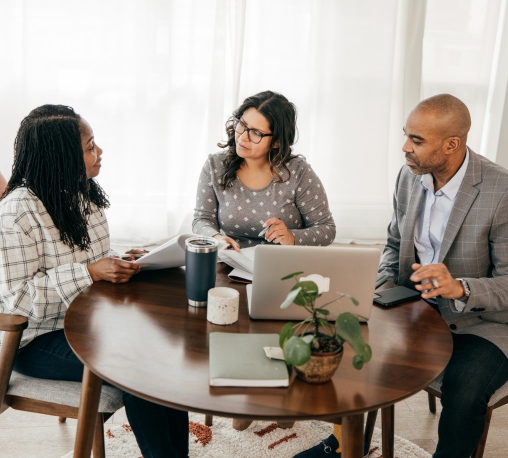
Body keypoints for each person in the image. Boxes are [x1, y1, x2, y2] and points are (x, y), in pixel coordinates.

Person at [295, 93, 508, 458]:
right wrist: (381, 284)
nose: (405, 148)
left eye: (417, 140)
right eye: (406, 135)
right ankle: (345, 444)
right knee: (345, 343)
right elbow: (394, 244)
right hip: (413, 307)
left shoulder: (501, 191)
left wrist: (459, 287)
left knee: (466, 390)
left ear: (452, 144)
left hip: (481, 322)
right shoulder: (410, 176)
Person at [0, 105, 189, 458]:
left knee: (166, 349)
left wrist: (119, 259)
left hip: (93, 322)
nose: (99, 152)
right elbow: (16, 300)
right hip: (38, 342)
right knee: (139, 366)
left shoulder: (80, 193)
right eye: (89, 147)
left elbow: (83, 255)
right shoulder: (17, 211)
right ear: (61, 156)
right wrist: (89, 273)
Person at [192, 90, 336, 252]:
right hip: (231, 262)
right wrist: (216, 239)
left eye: (256, 133)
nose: (242, 138)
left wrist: (291, 237)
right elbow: (202, 220)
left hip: (283, 265)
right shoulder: (215, 165)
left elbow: (326, 229)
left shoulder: (298, 171)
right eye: (242, 125)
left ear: (276, 142)